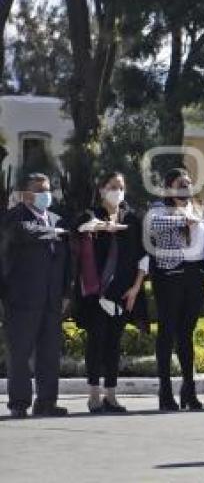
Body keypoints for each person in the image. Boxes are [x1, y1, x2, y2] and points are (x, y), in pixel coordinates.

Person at [146, 168, 204, 411]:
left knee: (187, 333)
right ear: (168, 188)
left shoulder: (198, 209)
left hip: (194, 275)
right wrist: (182, 219)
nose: (185, 188)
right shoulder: (159, 209)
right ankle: (165, 391)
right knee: (167, 331)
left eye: (188, 183)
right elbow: (154, 225)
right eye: (180, 184)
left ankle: (189, 389)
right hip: (168, 275)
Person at [73, 171, 147, 413]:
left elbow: (143, 257)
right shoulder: (92, 213)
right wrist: (106, 226)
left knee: (114, 343)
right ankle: (94, 394)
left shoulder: (133, 219)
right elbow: (82, 227)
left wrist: (136, 288)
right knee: (97, 341)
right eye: (113, 186)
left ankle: (111, 395)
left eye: (121, 187)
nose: (118, 191)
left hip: (124, 292)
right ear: (102, 189)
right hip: (97, 293)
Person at [0, 173, 72, 418]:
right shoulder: (14, 216)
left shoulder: (56, 219)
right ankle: (19, 404)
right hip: (22, 299)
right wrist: (55, 233)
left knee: (49, 353)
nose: (45, 194)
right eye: (39, 190)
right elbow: (27, 232)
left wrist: (65, 292)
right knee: (19, 352)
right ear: (26, 193)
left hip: (51, 299)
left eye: (47, 189)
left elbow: (66, 260)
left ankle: (46, 402)